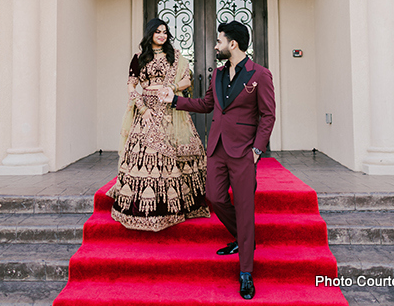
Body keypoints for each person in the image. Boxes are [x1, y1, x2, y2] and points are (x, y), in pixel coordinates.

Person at [160, 20, 275, 300]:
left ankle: (246, 272)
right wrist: (174, 100)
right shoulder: (218, 74)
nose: (215, 45)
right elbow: (207, 104)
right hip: (217, 149)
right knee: (215, 197)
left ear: (232, 44)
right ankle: (244, 237)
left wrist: (257, 150)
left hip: (244, 152)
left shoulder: (260, 74)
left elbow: (268, 115)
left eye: (219, 40)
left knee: (246, 208)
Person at [107, 18, 210, 231]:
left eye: (165, 32)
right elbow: (131, 85)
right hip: (146, 110)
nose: (162, 35)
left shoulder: (176, 57)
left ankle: (180, 206)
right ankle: (143, 211)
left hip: (171, 108)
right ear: (150, 34)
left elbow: (187, 81)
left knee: (175, 153)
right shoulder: (138, 58)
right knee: (144, 156)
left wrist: (171, 87)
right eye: (158, 32)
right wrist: (142, 109)